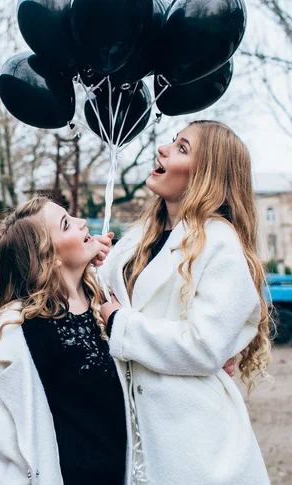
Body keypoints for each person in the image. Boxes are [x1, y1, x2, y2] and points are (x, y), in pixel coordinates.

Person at [98, 120, 272, 485]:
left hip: (194, 444)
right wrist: (91, 264)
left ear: (206, 174)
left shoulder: (220, 243)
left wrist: (120, 325)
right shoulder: (137, 239)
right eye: (172, 142)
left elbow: (205, 346)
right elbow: (101, 302)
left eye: (182, 148)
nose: (163, 148)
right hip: (137, 433)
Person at [0, 196, 122, 485]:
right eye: (67, 224)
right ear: (49, 255)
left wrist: (114, 263)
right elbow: (11, 446)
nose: (83, 222)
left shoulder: (110, 299)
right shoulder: (14, 332)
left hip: (130, 473)